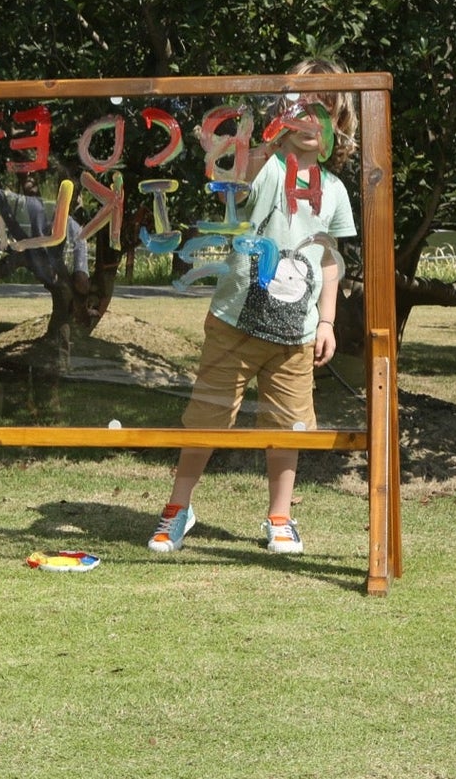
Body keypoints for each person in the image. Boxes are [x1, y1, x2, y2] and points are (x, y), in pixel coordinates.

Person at [146, 59, 359, 556]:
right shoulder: (265, 166)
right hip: (234, 323)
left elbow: (329, 259)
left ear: (337, 123)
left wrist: (327, 320)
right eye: (300, 108)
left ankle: (280, 518)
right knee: (207, 417)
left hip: (297, 335)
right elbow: (240, 175)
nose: (310, 122)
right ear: (282, 114)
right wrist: (263, 141)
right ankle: (179, 508)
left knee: (289, 429)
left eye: (322, 111)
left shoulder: (334, 190)